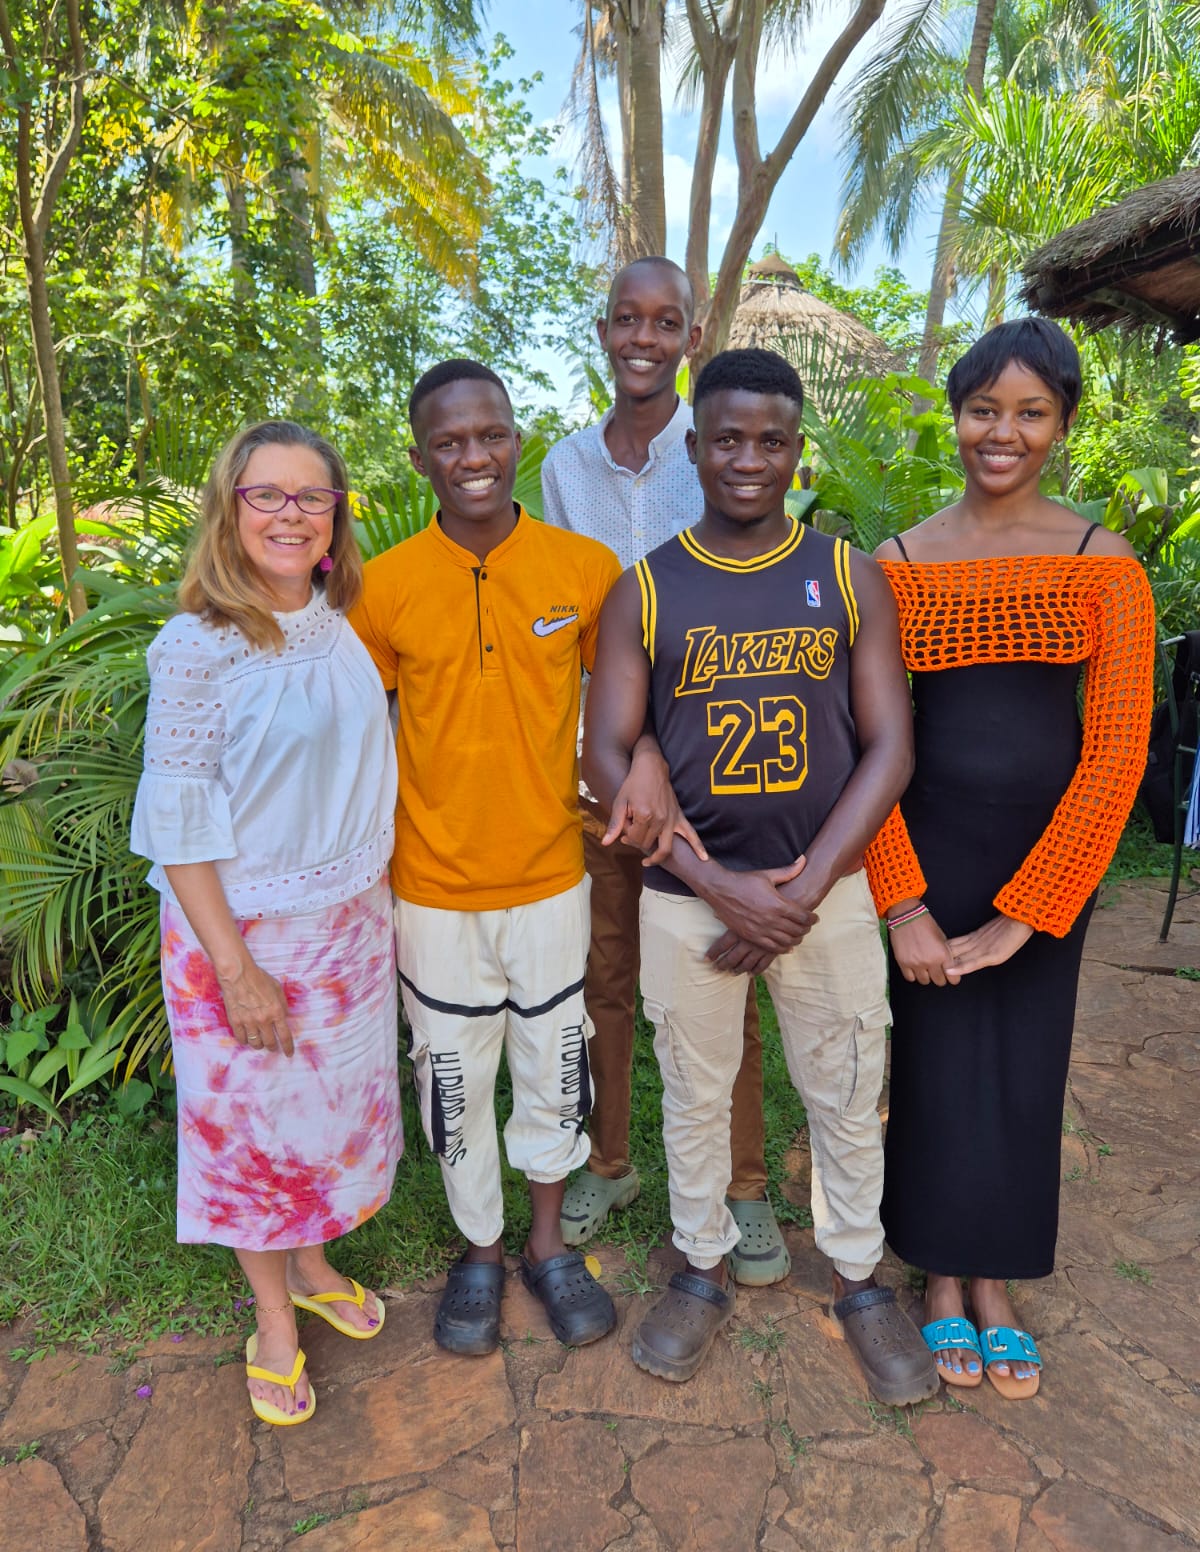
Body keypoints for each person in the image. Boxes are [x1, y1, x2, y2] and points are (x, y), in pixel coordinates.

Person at [583, 347, 939, 1401]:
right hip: (687, 897)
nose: (749, 459)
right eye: (728, 439)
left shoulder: (847, 575)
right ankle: (700, 1266)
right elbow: (607, 754)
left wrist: (802, 889)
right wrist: (719, 886)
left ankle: (860, 1279)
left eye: (771, 440)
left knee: (846, 1083)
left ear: (796, 450)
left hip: (824, 896)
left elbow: (891, 748)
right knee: (694, 1091)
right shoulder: (646, 589)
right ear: (694, 448)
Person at [351, 359, 688, 1357]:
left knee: (553, 1062)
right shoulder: (383, 588)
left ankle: (546, 1244)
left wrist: (651, 757)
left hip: (551, 873)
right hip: (432, 886)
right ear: (420, 457)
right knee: (452, 1079)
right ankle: (480, 1251)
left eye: (491, 434)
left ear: (517, 441)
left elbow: (628, 701)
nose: (475, 456)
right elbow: (356, 731)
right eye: (450, 441)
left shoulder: (582, 569)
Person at [865, 317, 1155, 1399]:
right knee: (934, 1065)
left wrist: (1033, 906)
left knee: (1027, 1066)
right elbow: (869, 744)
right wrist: (903, 902)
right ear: (956, 416)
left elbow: (1119, 747)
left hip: (1051, 858)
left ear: (1062, 424)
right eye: (984, 409)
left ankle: (995, 1282)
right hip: (929, 854)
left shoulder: (1101, 564)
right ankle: (940, 1275)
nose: (1004, 432)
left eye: (1031, 412)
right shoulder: (895, 565)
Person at [130, 420, 401, 1428]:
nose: (291, 514)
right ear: (229, 509)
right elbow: (179, 823)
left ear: (336, 514)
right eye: (266, 494)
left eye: (311, 495)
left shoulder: (336, 617)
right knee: (256, 1139)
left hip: (347, 928)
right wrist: (235, 967)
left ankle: (315, 1263)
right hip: (240, 938)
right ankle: (275, 1320)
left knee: (322, 1122)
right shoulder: (197, 648)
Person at [543, 256, 791, 1286]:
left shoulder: (722, 448)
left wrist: (661, 744)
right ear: (604, 331)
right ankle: (609, 1162)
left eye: (664, 322)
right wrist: (631, 748)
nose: (642, 339)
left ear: (692, 338)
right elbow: (584, 630)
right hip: (604, 769)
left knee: (727, 976)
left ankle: (744, 1183)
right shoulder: (564, 468)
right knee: (607, 973)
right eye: (625, 319)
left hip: (715, 768)